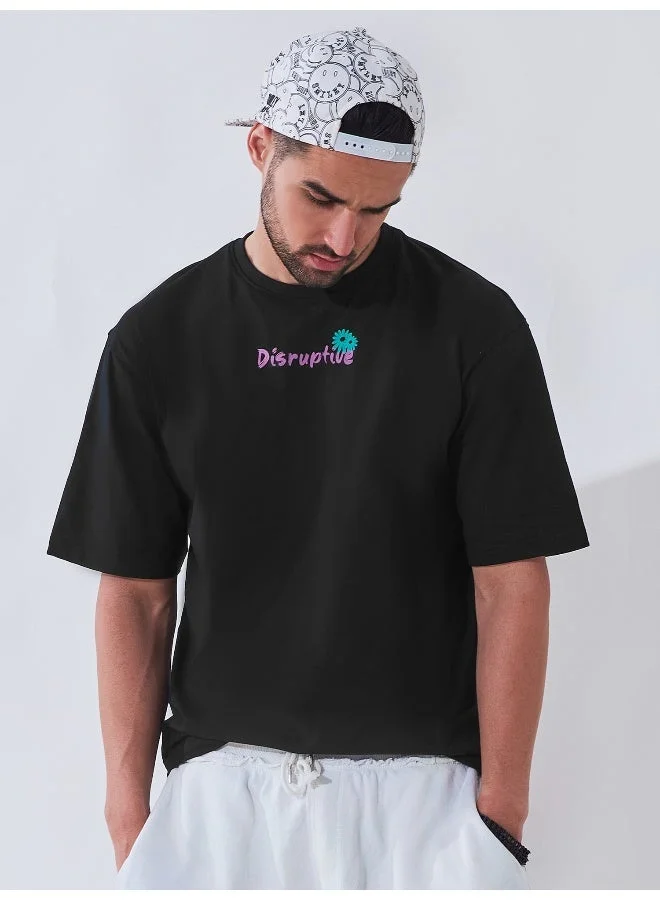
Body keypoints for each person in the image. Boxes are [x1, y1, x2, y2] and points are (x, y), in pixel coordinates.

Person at [46, 24, 590, 890]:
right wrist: (129, 819)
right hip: (221, 802)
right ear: (260, 148)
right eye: (322, 197)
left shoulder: (473, 329)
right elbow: (137, 591)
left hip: (424, 804)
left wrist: (503, 812)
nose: (344, 235)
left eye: (377, 210)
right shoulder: (159, 340)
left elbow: (511, 580)